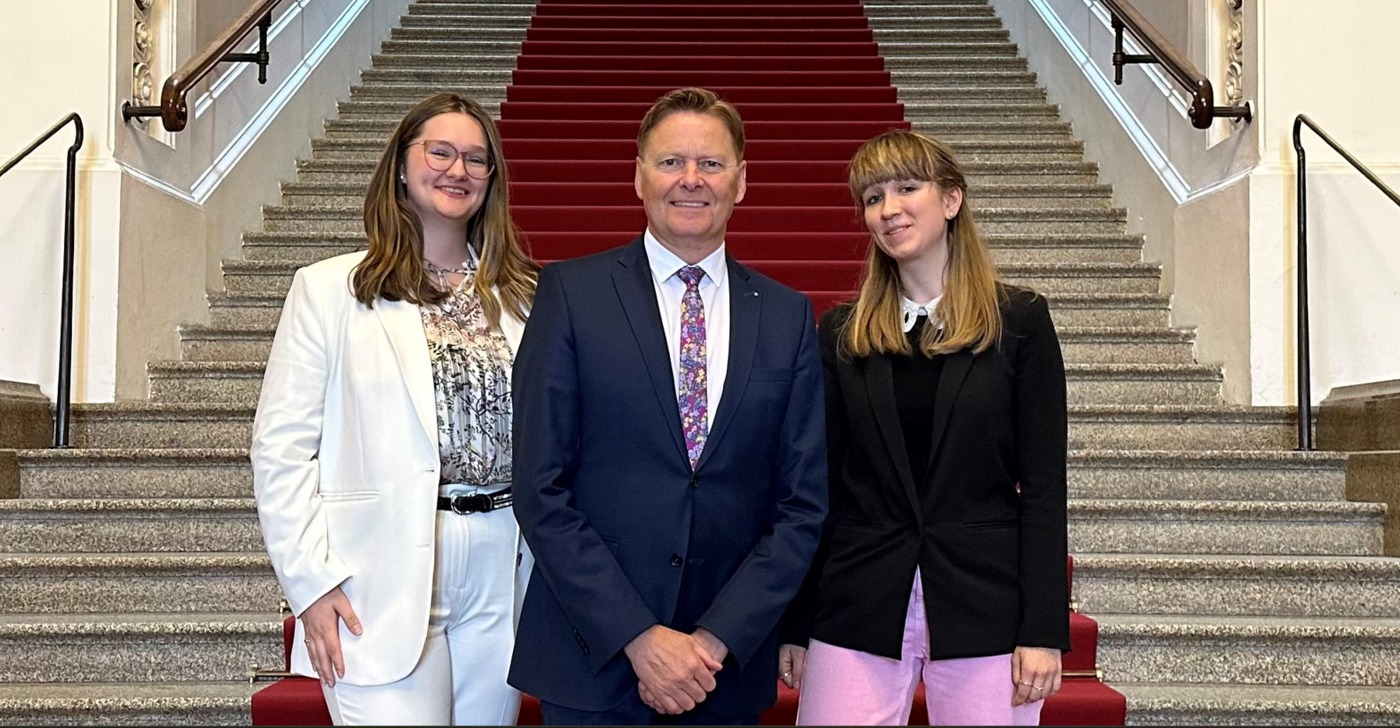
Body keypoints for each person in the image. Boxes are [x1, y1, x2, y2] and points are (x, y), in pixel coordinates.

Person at [507, 87, 828, 726]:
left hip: (724, 670)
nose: (690, 180)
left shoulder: (787, 316)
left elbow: (801, 504)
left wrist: (714, 641)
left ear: (741, 182)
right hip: (592, 656)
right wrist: (638, 637)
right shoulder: (570, 294)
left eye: (710, 164)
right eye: (670, 161)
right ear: (638, 177)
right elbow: (540, 487)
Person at [250, 92, 537, 726]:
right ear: (401, 166)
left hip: (502, 558)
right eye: (439, 152)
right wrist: (310, 583)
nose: (457, 170)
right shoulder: (328, 290)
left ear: (492, 181)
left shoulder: (525, 298)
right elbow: (281, 448)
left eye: (475, 159)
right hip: (376, 571)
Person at [780, 129, 1071, 726]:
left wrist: (1043, 628)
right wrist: (798, 624)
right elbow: (818, 489)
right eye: (872, 197)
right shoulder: (841, 334)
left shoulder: (1020, 321)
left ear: (951, 200)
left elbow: (1044, 489)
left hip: (984, 600)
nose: (888, 210)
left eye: (907, 188)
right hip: (858, 599)